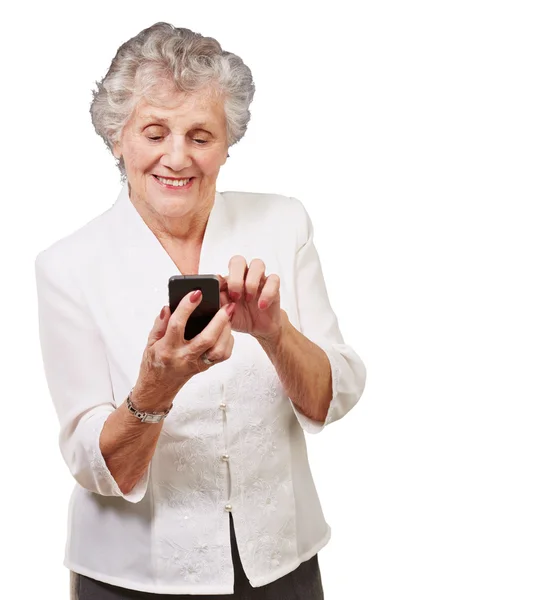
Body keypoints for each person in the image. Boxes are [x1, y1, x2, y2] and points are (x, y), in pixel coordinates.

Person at [35, 22, 367, 599]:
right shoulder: (68, 266)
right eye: (155, 132)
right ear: (118, 138)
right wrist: (156, 388)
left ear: (228, 142)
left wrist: (275, 333)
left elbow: (332, 396)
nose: (177, 157)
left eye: (200, 135)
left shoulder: (283, 223)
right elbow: (95, 467)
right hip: (130, 578)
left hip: (281, 566)